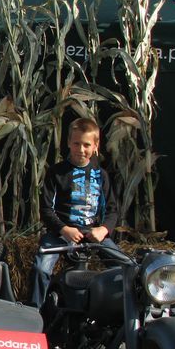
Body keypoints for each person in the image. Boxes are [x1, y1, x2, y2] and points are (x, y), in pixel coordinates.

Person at [29, 117, 119, 308]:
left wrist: (103, 230)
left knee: (125, 268)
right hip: (60, 234)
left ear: (95, 146)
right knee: (40, 269)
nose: (81, 149)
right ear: (69, 142)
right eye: (76, 143)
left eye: (86, 145)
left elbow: (112, 210)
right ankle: (34, 313)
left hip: (92, 234)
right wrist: (64, 229)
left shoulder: (101, 176)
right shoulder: (56, 173)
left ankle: (119, 315)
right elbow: (46, 209)